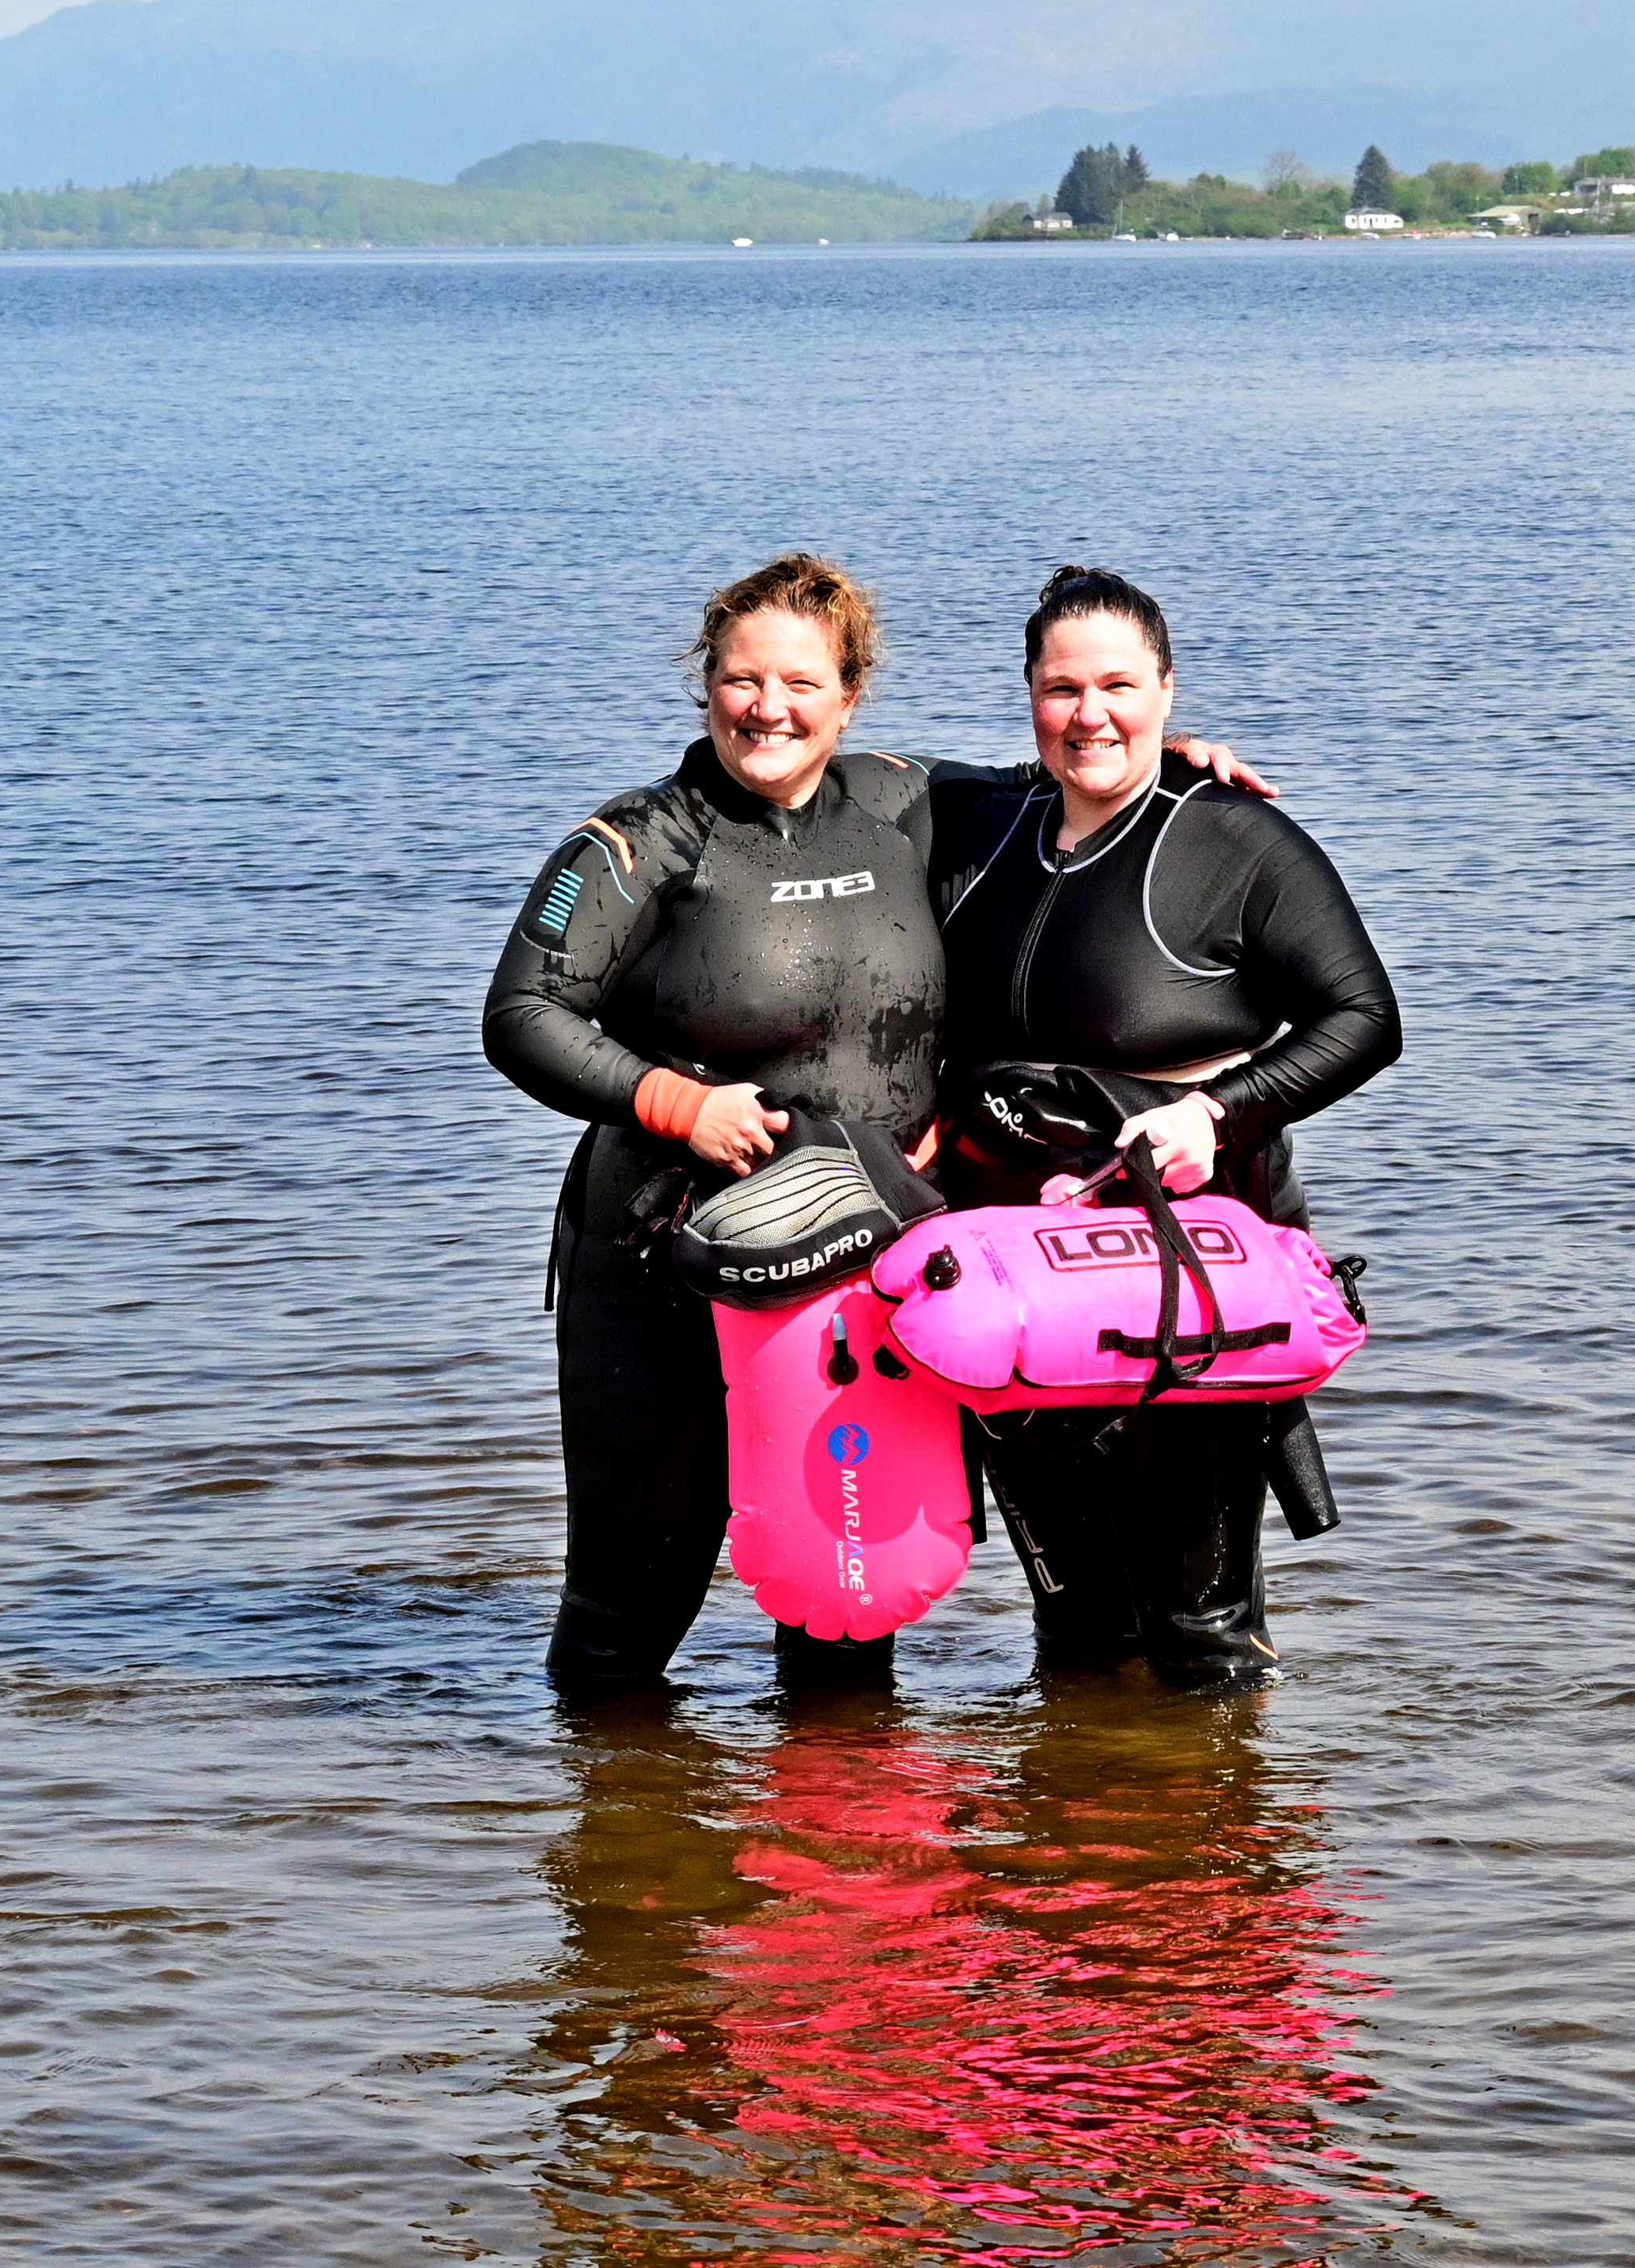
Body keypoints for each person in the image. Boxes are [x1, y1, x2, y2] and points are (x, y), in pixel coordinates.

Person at [482, 553, 1266, 1697]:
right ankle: (616, 1846)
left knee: (846, 1598)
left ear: (848, 696)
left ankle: (846, 1861)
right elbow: (520, 1013)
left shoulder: (903, 801)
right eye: (742, 678)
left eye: (800, 682)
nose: (769, 706)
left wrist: (1177, 765)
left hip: (862, 1260)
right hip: (667, 1255)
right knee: (629, 1598)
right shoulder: (639, 839)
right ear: (705, 686)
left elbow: (1074, 775)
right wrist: (678, 1102)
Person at [932, 565, 1401, 1688]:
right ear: (1028, 697)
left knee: (1199, 1635)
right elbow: (850, 778)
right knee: (1080, 1627)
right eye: (1061, 688)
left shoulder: (1229, 840)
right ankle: (1090, 1844)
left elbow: (1365, 1018)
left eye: (1118, 686)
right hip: (1017, 1269)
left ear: (1167, 689)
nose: (1089, 713)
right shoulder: (987, 825)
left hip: (1184, 1255)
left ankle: (1226, 1846)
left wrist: (1219, 1110)